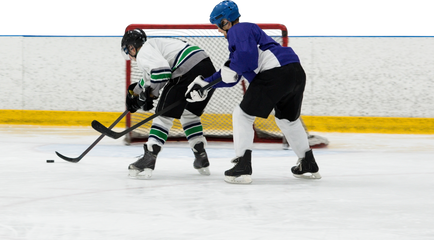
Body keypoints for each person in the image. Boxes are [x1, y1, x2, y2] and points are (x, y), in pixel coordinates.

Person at [187, 0, 321, 184]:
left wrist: (213, 80)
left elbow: (244, 63)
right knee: (287, 120)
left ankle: (242, 166)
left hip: (276, 73)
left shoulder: (238, 29)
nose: (218, 30)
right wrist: (206, 84)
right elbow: (234, 75)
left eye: (218, 25)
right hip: (294, 72)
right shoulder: (246, 34)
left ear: (226, 22)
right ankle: (308, 162)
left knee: (242, 115)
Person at [121, 26, 217, 179]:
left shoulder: (144, 51)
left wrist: (149, 95)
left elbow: (162, 73)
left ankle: (149, 157)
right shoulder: (155, 47)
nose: (130, 56)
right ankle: (201, 155)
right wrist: (136, 94)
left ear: (131, 47)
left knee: (163, 116)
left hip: (186, 70)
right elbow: (148, 78)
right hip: (207, 70)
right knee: (189, 114)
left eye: (128, 51)